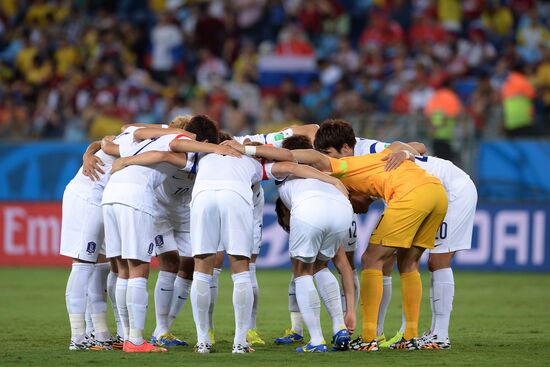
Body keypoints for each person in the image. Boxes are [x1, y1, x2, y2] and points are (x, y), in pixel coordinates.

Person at [313, 119, 477, 349]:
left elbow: (419, 146)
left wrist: (406, 153)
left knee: (436, 260)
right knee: (390, 262)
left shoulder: (366, 151)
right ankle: (387, 333)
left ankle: (439, 334)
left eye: (329, 153)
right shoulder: (349, 158)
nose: (327, 159)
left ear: (347, 148)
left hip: (449, 187)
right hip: (410, 193)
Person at [101, 115, 236, 353]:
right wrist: (217, 148)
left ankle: (129, 336)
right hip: (142, 201)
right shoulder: (176, 141)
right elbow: (164, 150)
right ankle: (136, 339)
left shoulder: (150, 139)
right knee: (139, 268)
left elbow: (127, 132)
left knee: (126, 269)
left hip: (115, 195)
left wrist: (108, 152)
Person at [269, 135, 354, 352]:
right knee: (321, 266)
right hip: (342, 209)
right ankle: (339, 328)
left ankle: (316, 340)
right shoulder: (325, 170)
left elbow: (286, 163)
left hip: (310, 209)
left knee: (302, 272)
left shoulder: (283, 168)